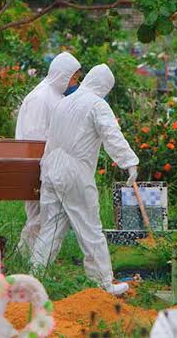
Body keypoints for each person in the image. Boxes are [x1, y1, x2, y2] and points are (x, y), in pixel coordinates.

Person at [31, 64, 139, 296]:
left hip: (51, 169)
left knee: (50, 228)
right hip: (74, 172)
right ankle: (103, 283)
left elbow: (51, 139)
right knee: (90, 228)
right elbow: (112, 134)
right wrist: (129, 161)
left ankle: (34, 278)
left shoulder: (63, 102)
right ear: (105, 87)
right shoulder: (97, 105)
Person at [15, 52, 81, 254]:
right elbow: (33, 138)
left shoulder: (55, 95)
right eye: (73, 77)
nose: (74, 82)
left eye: (77, 78)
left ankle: (33, 258)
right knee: (40, 215)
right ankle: (28, 257)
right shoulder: (41, 97)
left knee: (44, 215)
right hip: (37, 165)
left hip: (50, 165)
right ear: (62, 74)